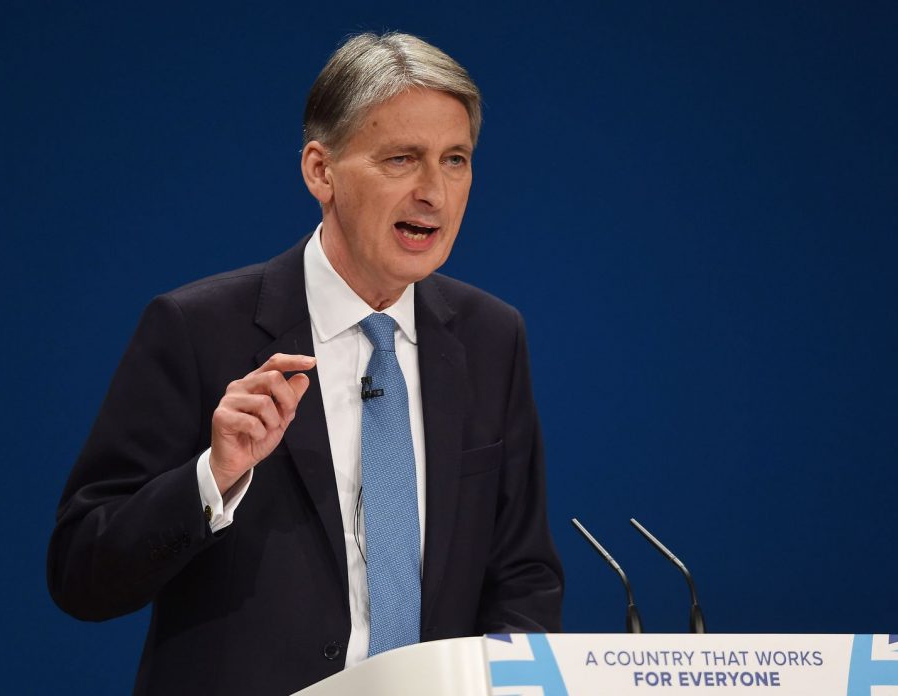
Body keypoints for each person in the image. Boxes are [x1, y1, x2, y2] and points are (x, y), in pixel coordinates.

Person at [47, 32, 563, 695]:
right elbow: (80, 574)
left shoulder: (492, 338)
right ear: (320, 171)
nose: (433, 191)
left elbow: (523, 575)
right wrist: (213, 478)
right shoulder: (197, 330)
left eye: (455, 159)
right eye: (402, 159)